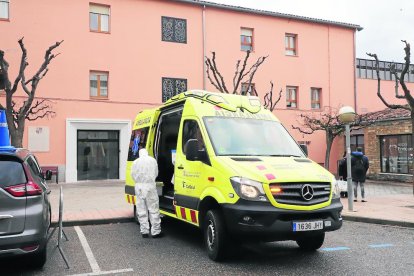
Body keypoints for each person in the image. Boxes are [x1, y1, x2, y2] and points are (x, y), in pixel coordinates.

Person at [131, 148, 163, 238]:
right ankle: (156, 232)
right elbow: (156, 173)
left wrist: (139, 182)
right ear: (147, 153)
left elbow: (132, 175)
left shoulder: (135, 162)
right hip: (150, 186)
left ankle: (144, 231)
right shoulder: (152, 160)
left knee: (141, 209)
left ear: (140, 154)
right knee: (153, 209)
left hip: (139, 187)